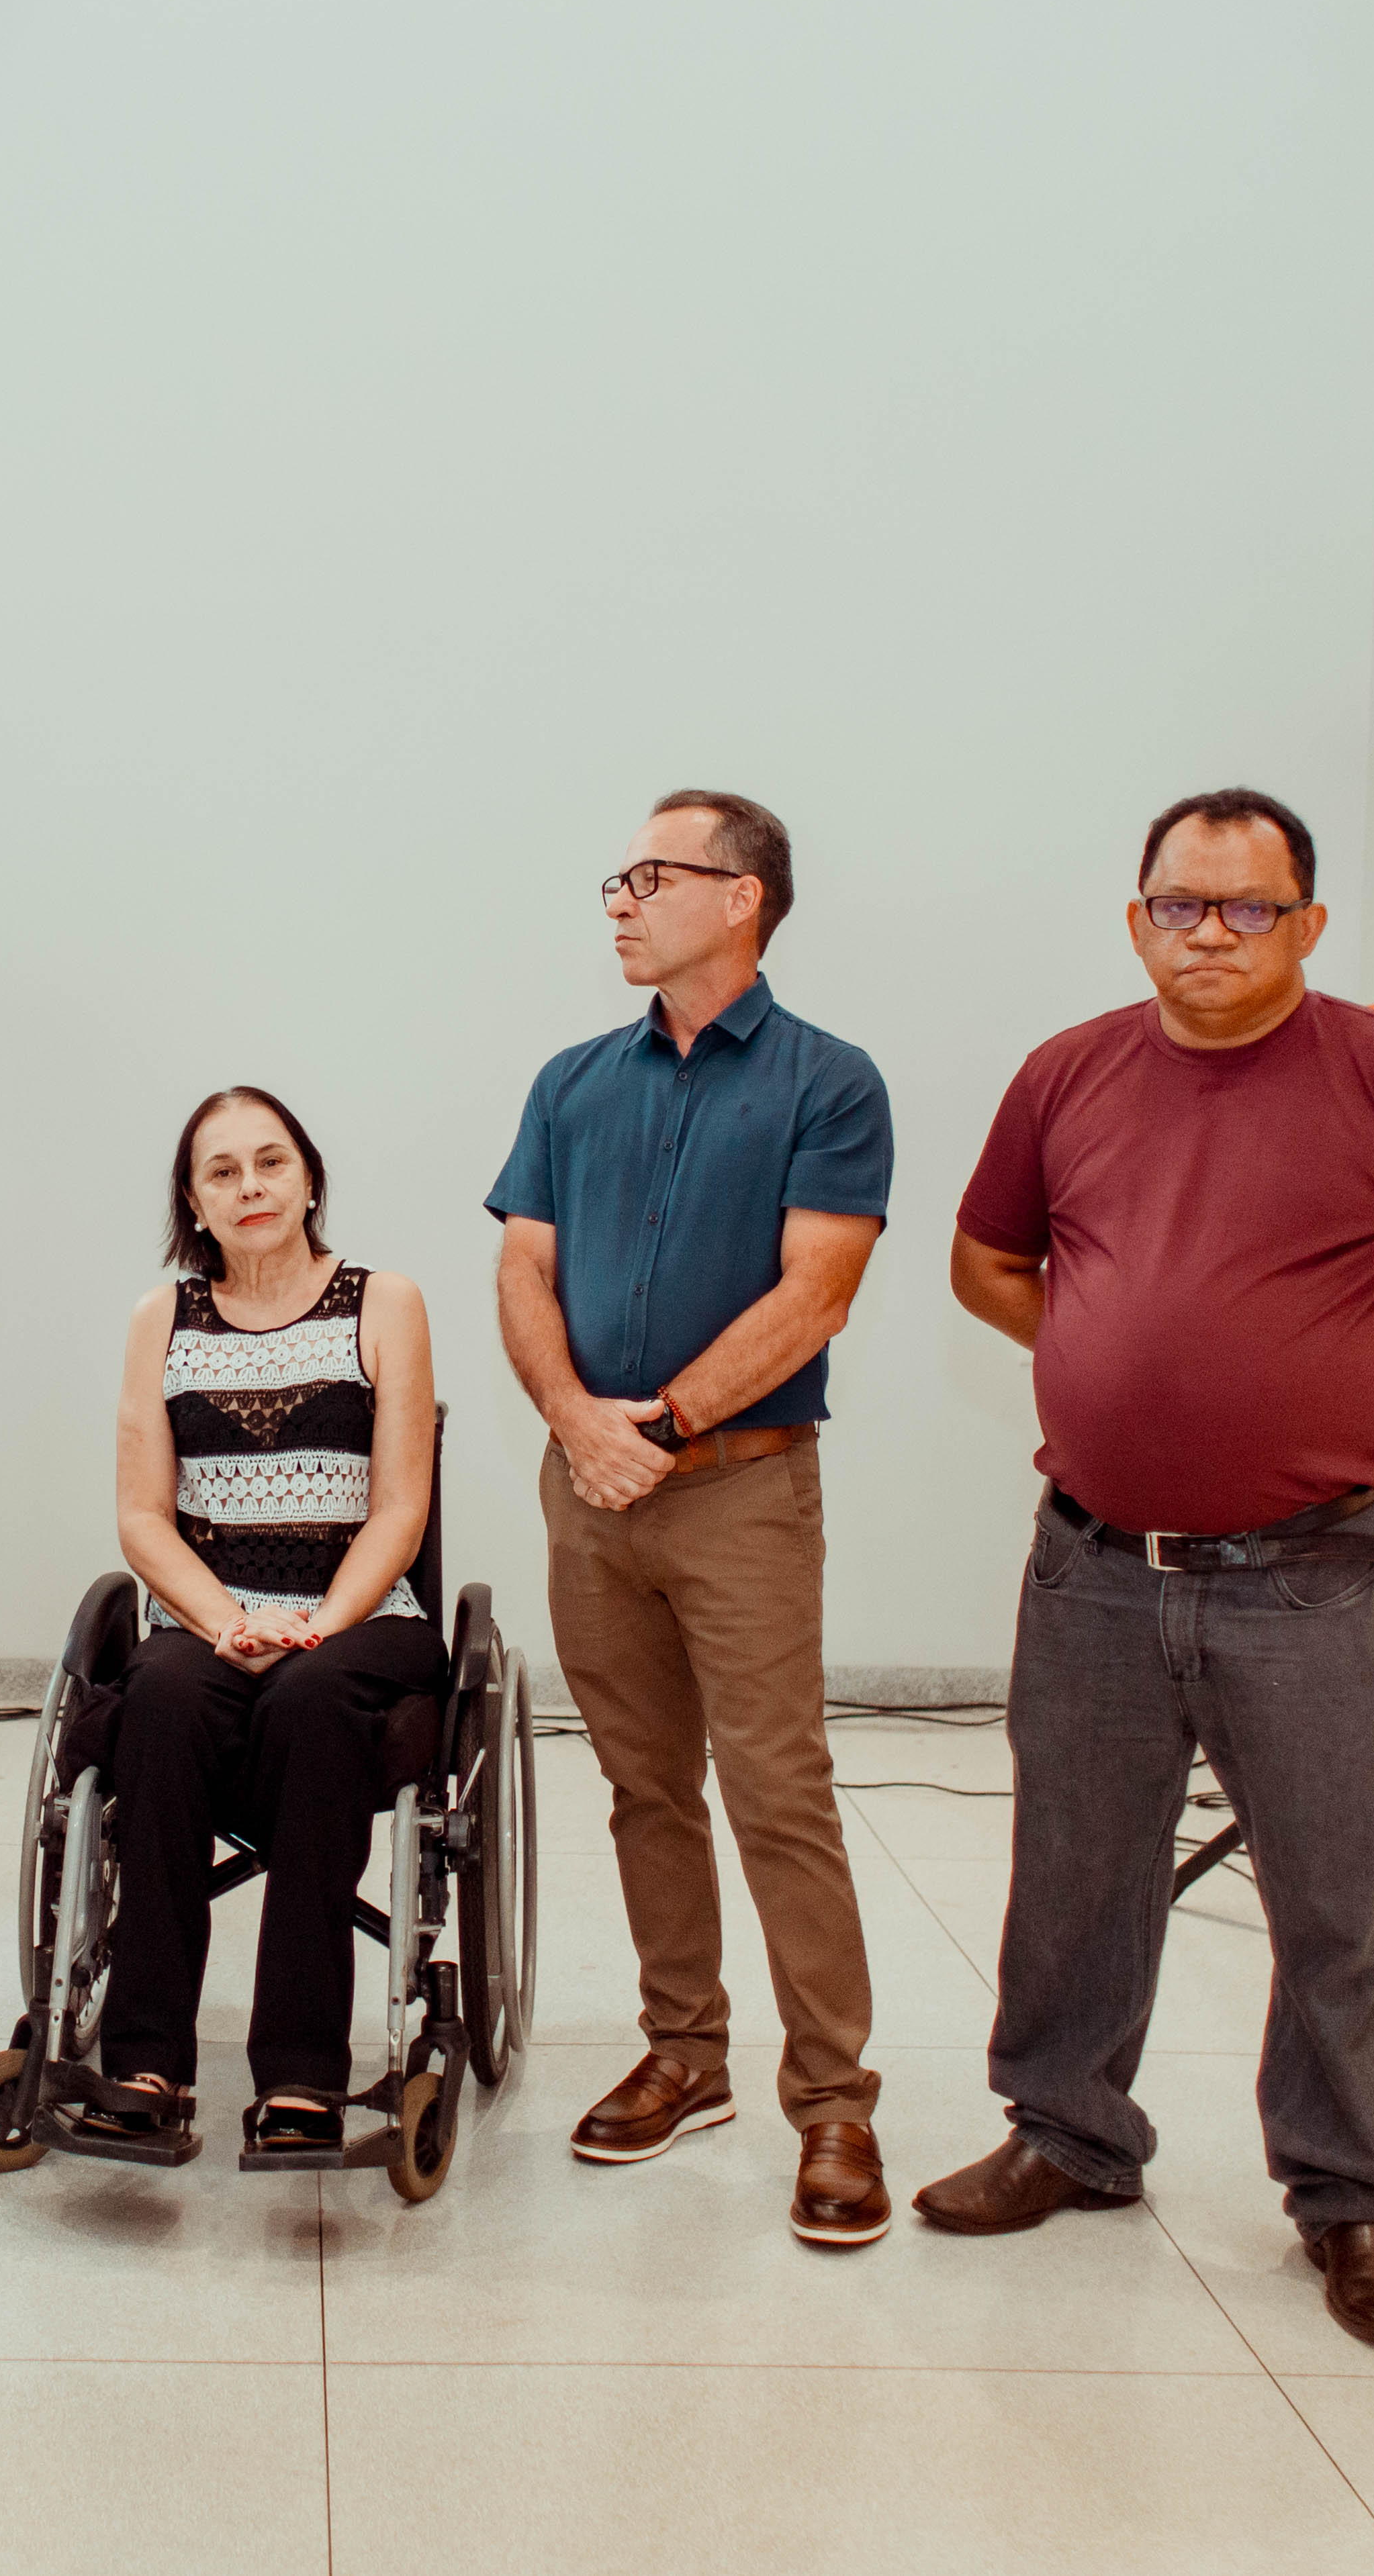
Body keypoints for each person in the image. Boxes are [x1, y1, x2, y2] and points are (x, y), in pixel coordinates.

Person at [932, 787, 1374, 2354]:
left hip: (1305, 1578)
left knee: (1329, 1900)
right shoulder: (1064, 1072)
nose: (1207, 933)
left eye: (1244, 906)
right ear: (1134, 916)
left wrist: (1359, 1378)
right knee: (1072, 1877)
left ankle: (1349, 2194)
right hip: (1092, 1568)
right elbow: (985, 1263)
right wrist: (1102, 1347)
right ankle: (1067, 2133)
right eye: (1177, 904)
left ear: (1307, 924)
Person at [488, 788, 897, 2248]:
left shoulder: (828, 1083)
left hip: (738, 1493)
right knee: (643, 1786)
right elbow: (524, 1272)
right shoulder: (570, 1083)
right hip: (589, 1492)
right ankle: (685, 2052)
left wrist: (653, 1430)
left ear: (740, 898)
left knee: (777, 1790)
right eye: (616, 878)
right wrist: (575, 1423)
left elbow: (815, 1295)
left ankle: (834, 2102)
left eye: (648, 876)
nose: (618, 899)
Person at [84, 1087, 445, 2153]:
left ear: (310, 1179)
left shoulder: (386, 1302)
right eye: (223, 1172)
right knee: (157, 1694)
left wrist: (319, 1625)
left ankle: (300, 2075)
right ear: (194, 1203)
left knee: (313, 1697)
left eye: (271, 1162)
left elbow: (401, 1509)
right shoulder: (163, 1319)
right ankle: (143, 2061)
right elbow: (143, 1518)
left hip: (361, 1614)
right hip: (211, 1616)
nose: (250, 1187)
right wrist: (225, 1622)